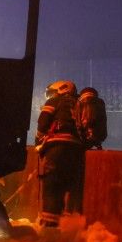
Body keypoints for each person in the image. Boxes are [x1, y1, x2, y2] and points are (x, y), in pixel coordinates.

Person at [35, 79, 85, 228]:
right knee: (68, 187)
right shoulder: (80, 104)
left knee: (51, 186)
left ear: (61, 89)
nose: (50, 96)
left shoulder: (54, 101)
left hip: (57, 148)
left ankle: (50, 231)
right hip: (76, 151)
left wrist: (38, 141)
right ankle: (69, 228)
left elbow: (43, 123)